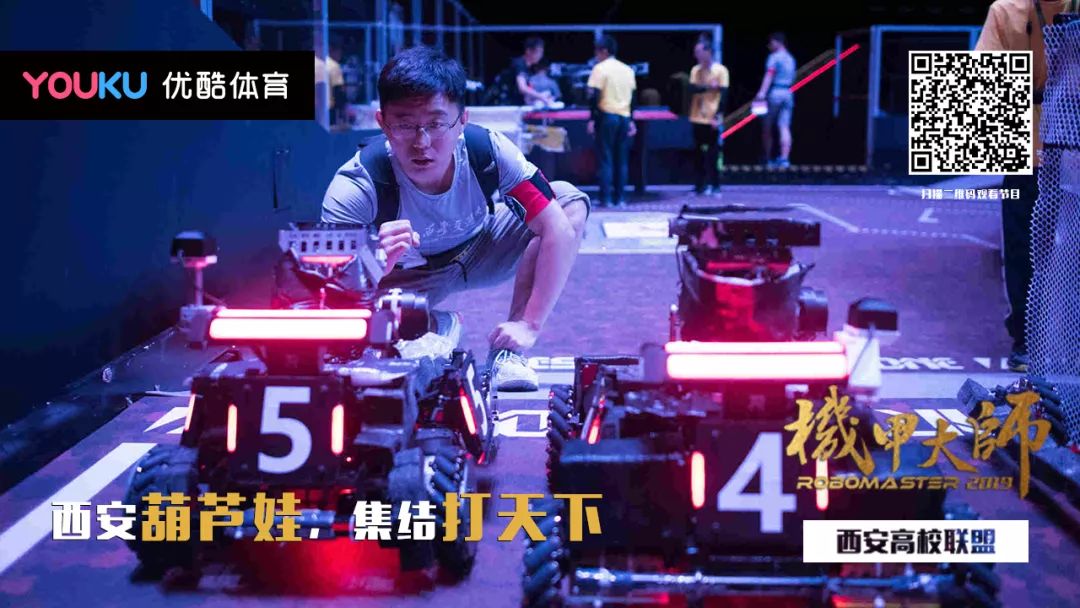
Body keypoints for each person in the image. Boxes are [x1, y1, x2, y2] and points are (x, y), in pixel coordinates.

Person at [321, 46, 590, 391]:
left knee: (567, 201)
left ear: (462, 120)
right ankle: (433, 325)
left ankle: (509, 355)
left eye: (436, 124)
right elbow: (328, 293)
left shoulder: (489, 151)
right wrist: (373, 264)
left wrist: (530, 325)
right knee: (352, 343)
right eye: (405, 125)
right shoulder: (356, 185)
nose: (422, 142)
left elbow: (558, 229)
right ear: (382, 123)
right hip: (407, 278)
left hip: (482, 248)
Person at [976, 0, 1077, 372]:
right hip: (1037, 147)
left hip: (1049, 146)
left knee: (1030, 248)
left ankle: (1036, 341)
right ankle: (1030, 338)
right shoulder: (1006, 10)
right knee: (1026, 246)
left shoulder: (1007, 10)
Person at [587, 35, 637, 208]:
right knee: (621, 159)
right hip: (624, 117)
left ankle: (605, 199)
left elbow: (593, 96)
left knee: (605, 158)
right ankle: (620, 198)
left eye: (597, 51)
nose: (595, 55)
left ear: (604, 51)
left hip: (607, 117)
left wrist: (592, 119)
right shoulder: (628, 70)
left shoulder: (599, 68)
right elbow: (633, 98)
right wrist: (631, 120)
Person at [687, 37, 729, 196]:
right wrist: (709, 87)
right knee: (698, 153)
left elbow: (724, 95)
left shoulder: (721, 70)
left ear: (708, 52)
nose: (696, 55)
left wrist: (718, 117)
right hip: (696, 116)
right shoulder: (695, 70)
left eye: (699, 51)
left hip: (712, 117)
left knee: (713, 153)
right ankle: (699, 185)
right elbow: (692, 90)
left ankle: (715, 185)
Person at [754, 32, 796, 168]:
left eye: (771, 43)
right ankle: (784, 159)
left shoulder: (774, 57)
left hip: (776, 92)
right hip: (788, 92)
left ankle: (767, 158)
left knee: (767, 125)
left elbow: (769, 75)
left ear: (777, 42)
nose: (769, 46)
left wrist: (761, 93)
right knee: (784, 126)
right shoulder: (791, 58)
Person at [494, 37, 552, 106]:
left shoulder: (528, 68)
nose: (540, 55)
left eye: (541, 52)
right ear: (528, 51)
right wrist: (541, 97)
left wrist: (537, 98)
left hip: (513, 104)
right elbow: (522, 88)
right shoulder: (520, 64)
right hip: (503, 104)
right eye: (538, 52)